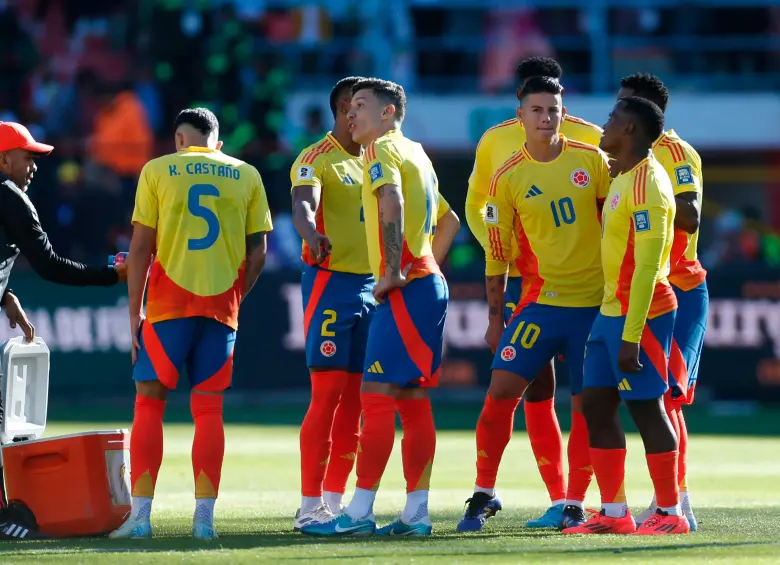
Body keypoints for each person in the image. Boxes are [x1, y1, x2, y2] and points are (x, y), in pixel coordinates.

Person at [110, 108, 273, 540]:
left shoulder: (158, 170)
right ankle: (204, 522)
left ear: (180, 139)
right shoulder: (246, 174)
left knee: (149, 404)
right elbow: (258, 253)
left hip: (167, 306)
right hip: (221, 307)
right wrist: (237, 295)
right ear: (216, 141)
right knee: (209, 410)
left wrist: (134, 314)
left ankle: (141, 520)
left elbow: (141, 245)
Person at [457, 77, 610, 533]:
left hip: (594, 307)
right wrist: (494, 318)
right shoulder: (507, 177)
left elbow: (618, 228)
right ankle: (484, 492)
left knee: (587, 406)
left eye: (553, 110)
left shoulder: (594, 162)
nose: (547, 118)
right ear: (519, 115)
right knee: (501, 390)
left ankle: (574, 502)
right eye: (537, 110)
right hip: (540, 304)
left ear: (564, 113)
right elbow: (497, 253)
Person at [301, 78, 449, 537]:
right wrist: (421, 267)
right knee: (411, 398)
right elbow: (451, 220)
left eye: (361, 106)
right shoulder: (417, 152)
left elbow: (391, 200)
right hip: (427, 282)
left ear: (387, 113)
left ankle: (359, 512)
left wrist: (390, 271)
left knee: (375, 398)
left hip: (404, 285)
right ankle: (415, 514)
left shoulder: (380, 152)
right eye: (349, 107)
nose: (352, 114)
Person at [563, 97, 689, 535]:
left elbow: (650, 267)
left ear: (630, 128)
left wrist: (632, 335)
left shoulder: (648, 187)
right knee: (595, 405)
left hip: (644, 314)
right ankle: (615, 514)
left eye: (612, 118)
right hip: (609, 312)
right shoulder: (623, 175)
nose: (604, 123)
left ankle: (671, 514)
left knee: (646, 409)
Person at [0, 121, 125, 540]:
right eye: (28, 157)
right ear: (3, 159)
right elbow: (51, 266)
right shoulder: (10, 196)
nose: (34, 165)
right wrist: (112, 275)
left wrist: (5, 294)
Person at [617, 74, 706, 531]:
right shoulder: (629, 162)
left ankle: (677, 501)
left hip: (680, 288)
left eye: (622, 106)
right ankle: (668, 498)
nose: (615, 116)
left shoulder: (674, 154)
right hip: (645, 290)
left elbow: (690, 214)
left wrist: (653, 205)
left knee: (669, 398)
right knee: (653, 398)